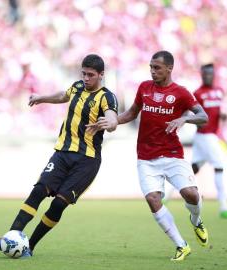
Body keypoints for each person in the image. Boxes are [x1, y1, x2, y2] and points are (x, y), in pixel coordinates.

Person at [0, 54, 118, 257]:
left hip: (87, 161)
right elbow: (63, 96)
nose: (86, 78)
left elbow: (112, 118)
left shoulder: (107, 97)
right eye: (83, 73)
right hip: (62, 154)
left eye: (90, 75)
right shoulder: (77, 87)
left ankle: (30, 246)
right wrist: (41, 98)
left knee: (58, 204)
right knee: (38, 191)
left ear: (101, 75)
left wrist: (109, 123)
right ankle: (9, 237)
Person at [89, 51, 209, 261]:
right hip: (146, 157)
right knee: (153, 199)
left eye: (157, 68)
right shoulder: (144, 88)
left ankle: (196, 219)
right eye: (151, 67)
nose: (153, 72)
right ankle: (181, 245)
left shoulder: (181, 93)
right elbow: (132, 113)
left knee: (191, 195)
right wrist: (113, 121)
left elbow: (203, 116)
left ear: (169, 69)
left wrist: (184, 120)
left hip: (172, 155)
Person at [190, 63, 227, 218]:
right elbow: (195, 114)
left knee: (194, 168)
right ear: (201, 74)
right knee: (219, 166)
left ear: (214, 75)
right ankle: (224, 208)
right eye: (204, 73)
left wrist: (222, 116)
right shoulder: (197, 93)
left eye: (210, 73)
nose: (207, 76)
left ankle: (166, 195)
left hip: (210, 135)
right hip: (205, 135)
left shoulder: (219, 91)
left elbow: (217, 111)